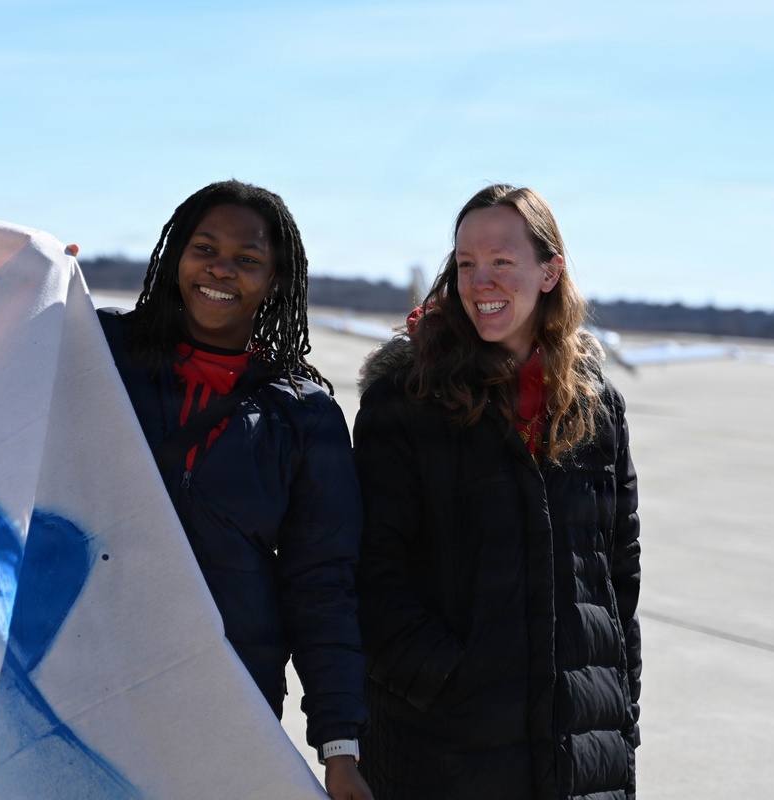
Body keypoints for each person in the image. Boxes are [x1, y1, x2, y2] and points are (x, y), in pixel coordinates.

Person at [352, 184, 641, 799]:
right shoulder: (406, 401)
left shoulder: (597, 407)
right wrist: (453, 681)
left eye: (502, 261)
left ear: (549, 273)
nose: (480, 281)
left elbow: (618, 577)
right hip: (442, 751)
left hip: (581, 752)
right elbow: (368, 572)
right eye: (466, 264)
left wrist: (619, 709)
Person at [96, 181, 372, 800]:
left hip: (227, 687)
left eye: (247, 259)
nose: (221, 270)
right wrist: (34, 290)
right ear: (176, 257)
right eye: (204, 249)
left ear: (274, 280)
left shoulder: (305, 416)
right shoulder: (98, 351)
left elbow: (322, 583)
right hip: (89, 662)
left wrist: (339, 746)